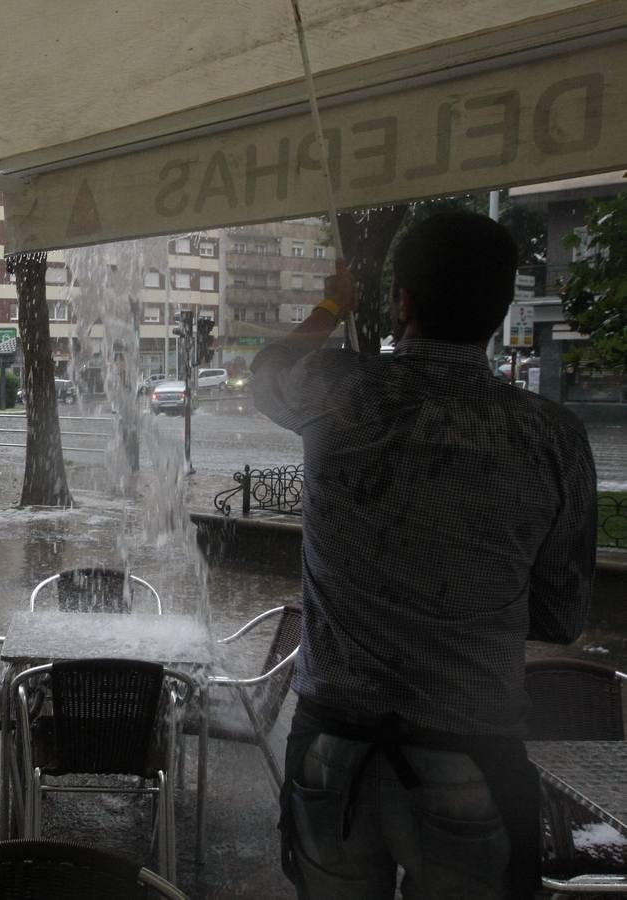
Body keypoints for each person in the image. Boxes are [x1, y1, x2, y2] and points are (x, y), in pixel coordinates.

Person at [251, 211, 597, 899]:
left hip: (333, 755)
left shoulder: (338, 391)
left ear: (403, 302)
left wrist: (331, 303)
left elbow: (268, 370)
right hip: (473, 754)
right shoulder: (550, 435)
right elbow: (561, 616)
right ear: (500, 312)